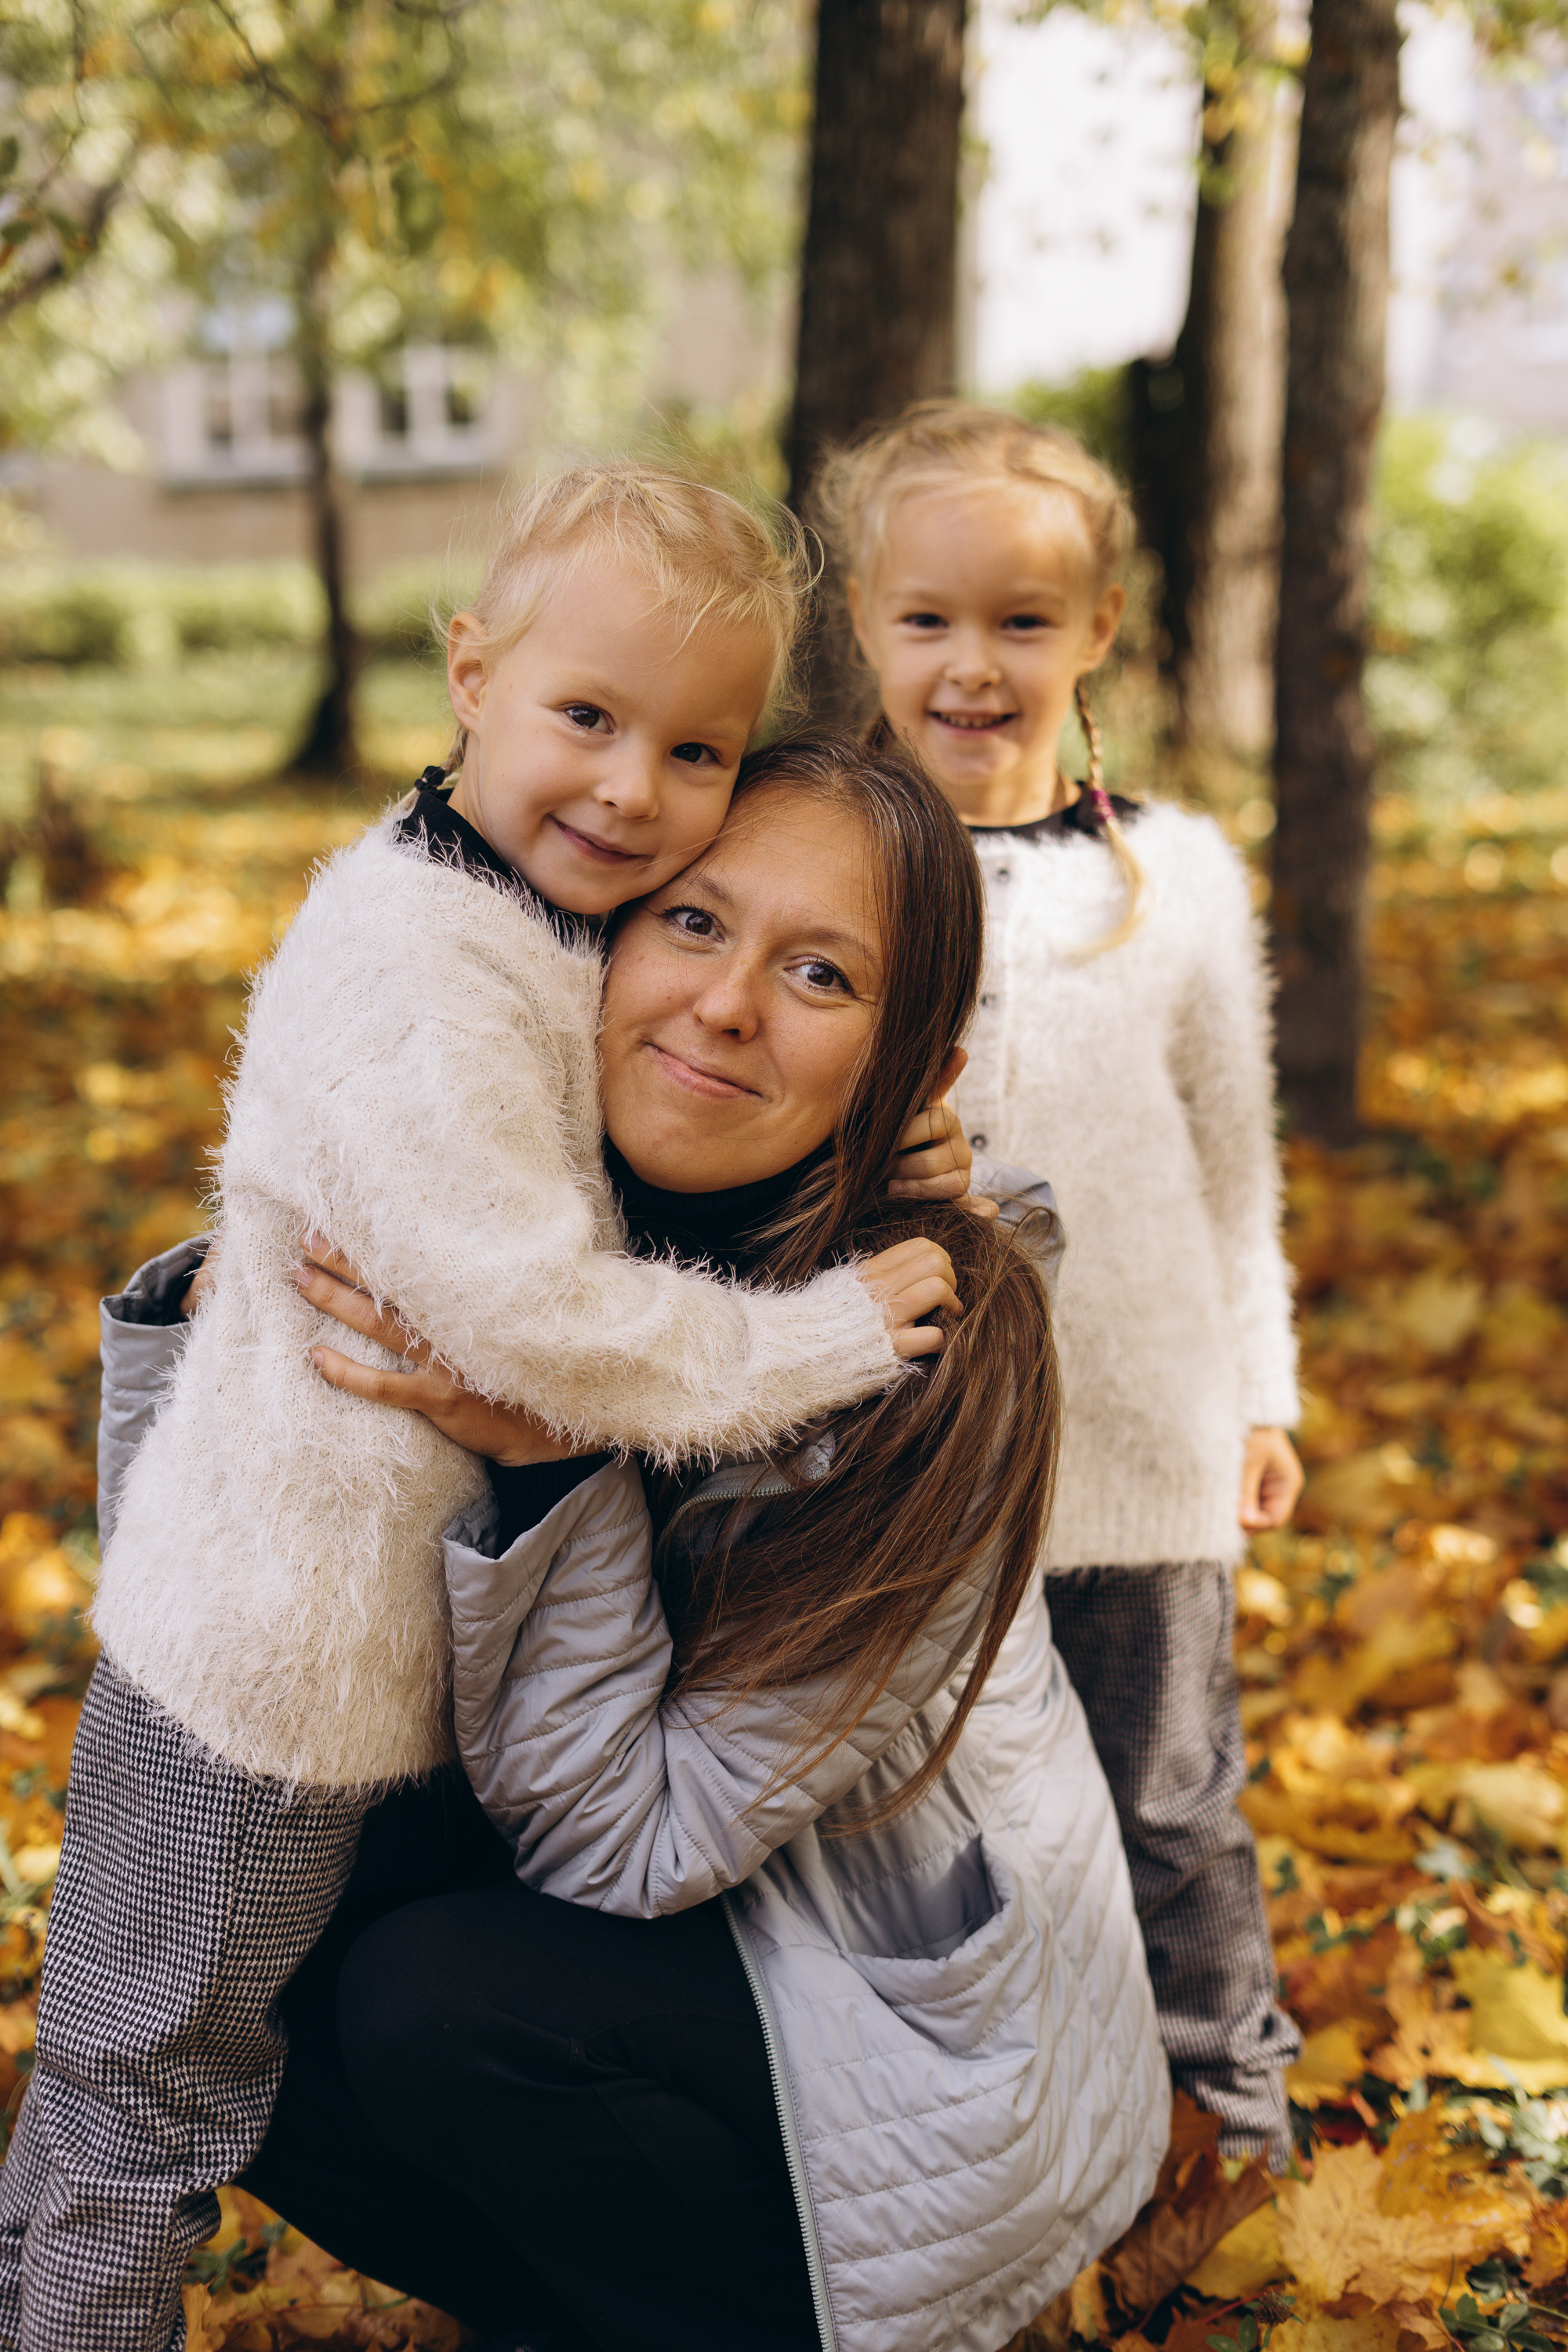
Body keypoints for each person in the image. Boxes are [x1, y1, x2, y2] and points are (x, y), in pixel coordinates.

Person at [0, 470, 968, 2352]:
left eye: (692, 749)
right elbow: (534, 1322)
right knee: (150, 2093)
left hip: (285, 1642)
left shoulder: (516, 904)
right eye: (585, 721)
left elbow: (723, 1032)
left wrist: (913, 1129)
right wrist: (824, 1333)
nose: (628, 789)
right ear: (469, 674)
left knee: (124, 2069)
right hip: (267, 1668)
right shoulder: (429, 967)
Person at [92, 735, 1170, 2352]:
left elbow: (636, 1849)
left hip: (903, 2071)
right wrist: (273, 1267)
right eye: (687, 924)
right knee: (241, 1935)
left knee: (431, 2006)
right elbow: (208, 1651)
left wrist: (556, 1470)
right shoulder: (532, 1222)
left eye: (821, 972)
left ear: (917, 1072)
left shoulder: (920, 1353)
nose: (727, 1005)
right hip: (669, 1959)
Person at [813, 401, 1305, 2164]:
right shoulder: (822, 858)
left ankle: (1223, 2126)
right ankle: (1009, 2138)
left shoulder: (1170, 880)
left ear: (1099, 631)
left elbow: (1232, 1166)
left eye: (1022, 623)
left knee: (1168, 1801)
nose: (971, 666)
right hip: (908, 1442)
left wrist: (1259, 1394)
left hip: (1140, 1431)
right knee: (946, 1815)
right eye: (927, 619)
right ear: (864, 620)